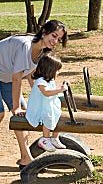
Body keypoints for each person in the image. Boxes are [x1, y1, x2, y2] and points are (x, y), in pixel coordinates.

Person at [0, 20, 67, 169]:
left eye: (59, 39)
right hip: (8, 77)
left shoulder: (43, 51)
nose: (55, 41)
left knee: (24, 116)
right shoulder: (26, 45)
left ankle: (26, 158)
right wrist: (16, 106)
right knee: (1, 114)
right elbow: (17, 78)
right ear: (44, 32)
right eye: (54, 36)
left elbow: (31, 75)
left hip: (4, 77)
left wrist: (40, 96)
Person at [26, 54, 68, 152]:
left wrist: (61, 92)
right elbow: (46, 93)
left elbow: (52, 91)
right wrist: (60, 89)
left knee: (58, 114)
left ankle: (54, 138)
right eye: (57, 70)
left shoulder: (50, 80)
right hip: (40, 109)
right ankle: (45, 139)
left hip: (47, 105)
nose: (58, 73)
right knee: (48, 117)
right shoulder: (41, 81)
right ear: (50, 70)